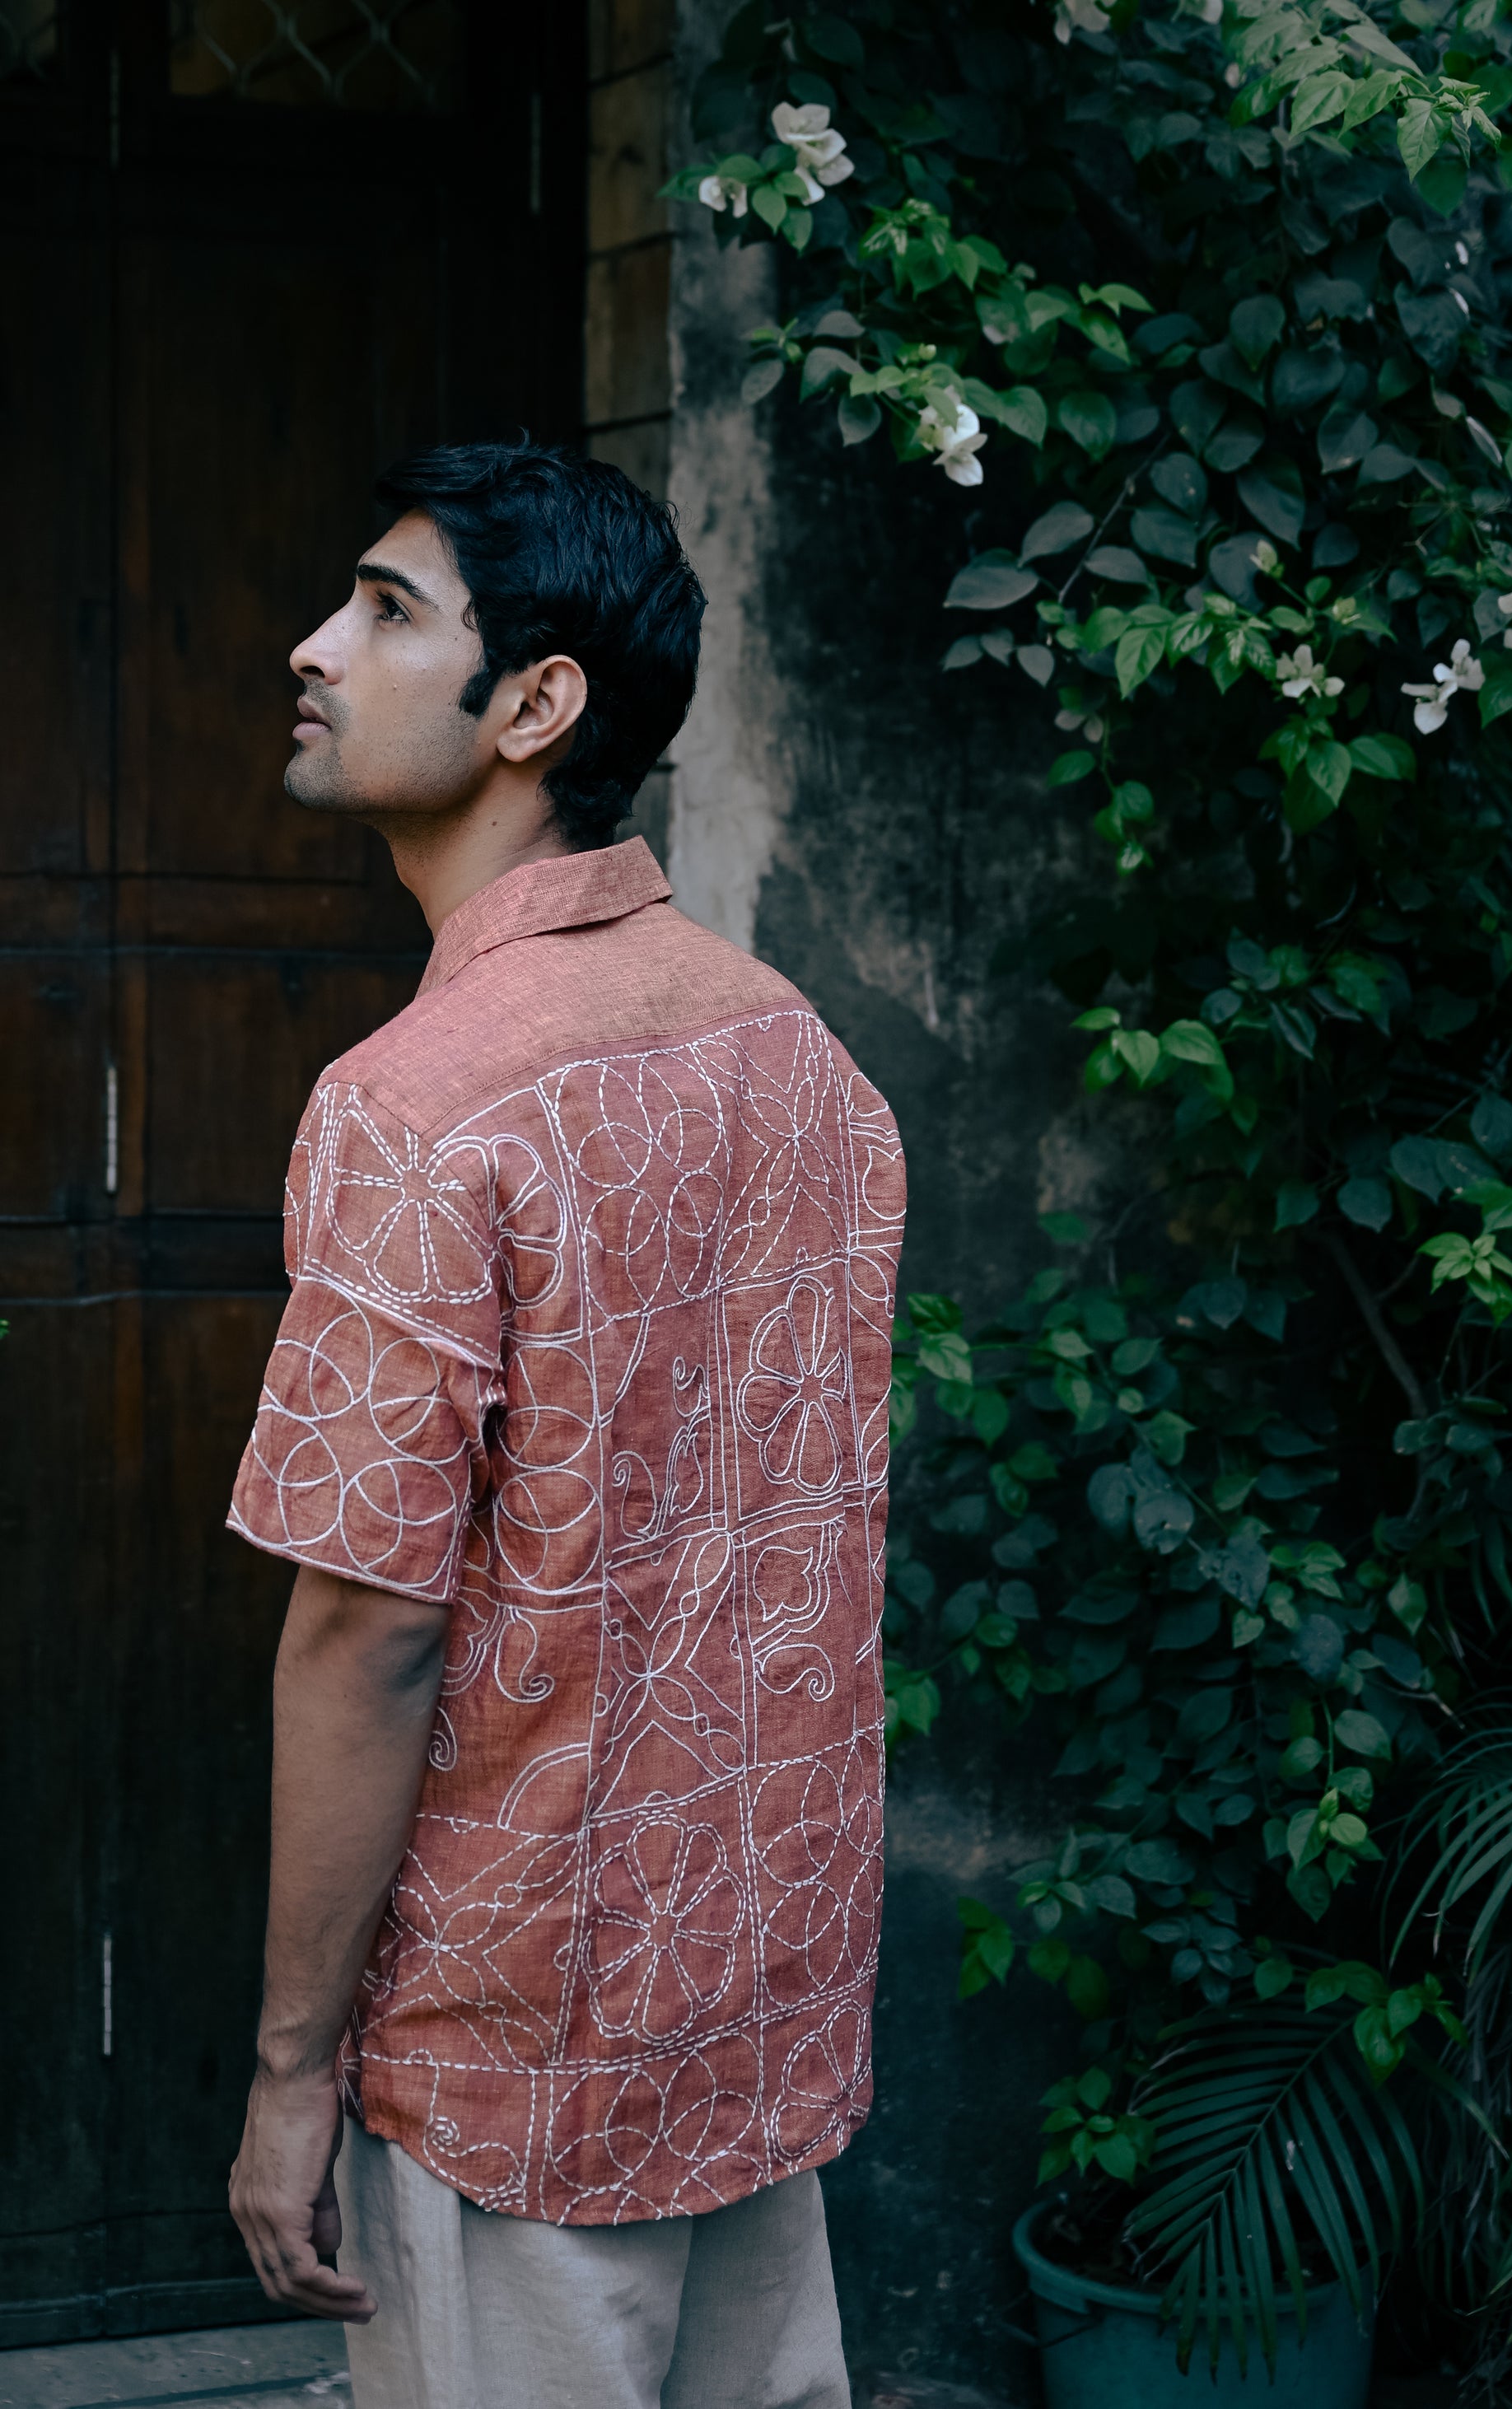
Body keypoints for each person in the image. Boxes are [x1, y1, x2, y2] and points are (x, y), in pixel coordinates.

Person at [222, 440, 905, 2409]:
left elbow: (371, 1626)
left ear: (537, 703)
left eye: (385, 609)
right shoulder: (800, 1051)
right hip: (748, 2009)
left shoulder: (420, 1102)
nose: (316, 645)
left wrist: (290, 2077)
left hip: (509, 2049)